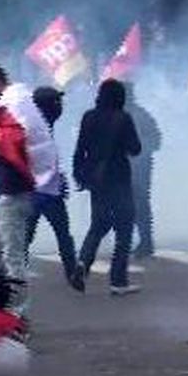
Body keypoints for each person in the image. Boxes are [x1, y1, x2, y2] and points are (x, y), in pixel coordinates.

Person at [0, 63, 52, 316]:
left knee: (12, 258)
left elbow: (7, 143)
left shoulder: (14, 109)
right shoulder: (4, 111)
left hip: (16, 195)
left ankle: (19, 315)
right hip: (7, 196)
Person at [73, 79, 143, 295]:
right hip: (118, 178)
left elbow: (80, 149)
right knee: (124, 227)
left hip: (96, 179)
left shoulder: (89, 117)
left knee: (99, 223)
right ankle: (118, 280)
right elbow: (135, 148)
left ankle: (83, 262)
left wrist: (80, 174)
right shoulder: (123, 118)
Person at [27, 86, 83, 291]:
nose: (60, 106)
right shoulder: (34, 127)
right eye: (56, 102)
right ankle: (14, 278)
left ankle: (72, 273)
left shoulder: (42, 124)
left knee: (58, 234)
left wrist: (58, 179)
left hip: (45, 191)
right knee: (34, 235)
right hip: (39, 192)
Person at [127, 87, 162, 258]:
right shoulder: (143, 114)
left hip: (133, 167)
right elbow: (156, 140)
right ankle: (145, 241)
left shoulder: (115, 116)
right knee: (140, 205)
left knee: (134, 204)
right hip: (140, 166)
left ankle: (143, 242)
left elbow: (156, 140)